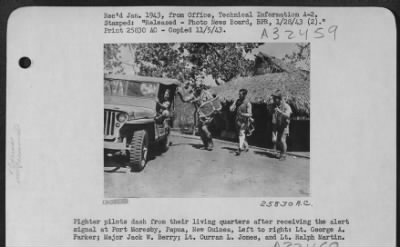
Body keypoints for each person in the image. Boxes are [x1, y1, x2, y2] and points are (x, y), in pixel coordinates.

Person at [177, 83, 215, 151]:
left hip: (207, 114)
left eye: (199, 87)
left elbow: (213, 102)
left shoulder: (207, 93)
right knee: (200, 130)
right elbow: (185, 99)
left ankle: (210, 143)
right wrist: (180, 94)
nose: (197, 88)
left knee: (204, 128)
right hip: (200, 114)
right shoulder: (194, 94)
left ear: (202, 87)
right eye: (196, 87)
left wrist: (198, 101)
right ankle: (206, 145)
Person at [230, 89, 253, 156]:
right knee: (240, 134)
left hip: (245, 121)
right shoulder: (237, 101)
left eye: (240, 94)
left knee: (241, 133)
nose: (239, 96)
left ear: (244, 95)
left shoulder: (248, 103)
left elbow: (250, 114)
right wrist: (231, 108)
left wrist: (242, 114)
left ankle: (240, 148)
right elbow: (232, 107)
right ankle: (246, 146)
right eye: (239, 94)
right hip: (237, 120)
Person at [271, 90, 292, 161]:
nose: (273, 99)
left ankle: (284, 155)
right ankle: (281, 153)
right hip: (278, 126)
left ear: (279, 98)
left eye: (275, 98)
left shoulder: (286, 106)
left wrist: (280, 112)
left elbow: (288, 115)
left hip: (284, 127)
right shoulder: (275, 106)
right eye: (273, 98)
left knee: (283, 140)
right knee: (278, 141)